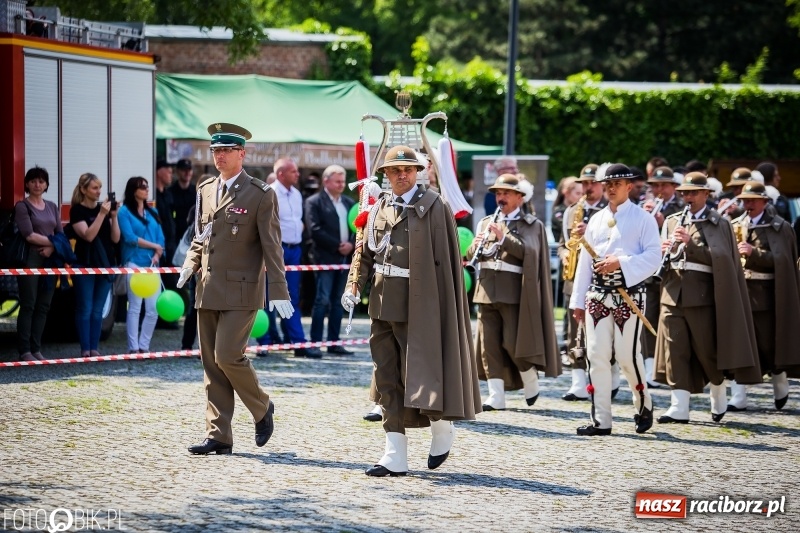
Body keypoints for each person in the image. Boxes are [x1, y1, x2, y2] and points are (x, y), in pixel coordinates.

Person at [342, 145, 481, 476]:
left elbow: (446, 264)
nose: (402, 175)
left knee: (421, 375)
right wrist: (353, 286)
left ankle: (441, 425)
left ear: (418, 172)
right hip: (382, 303)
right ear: (386, 175)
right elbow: (365, 252)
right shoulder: (378, 206)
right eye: (395, 170)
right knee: (386, 377)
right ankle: (394, 454)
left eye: (408, 169)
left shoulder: (434, 206)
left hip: (422, 305)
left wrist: (440, 308)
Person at [177, 122, 293, 455]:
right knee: (211, 364)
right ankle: (219, 435)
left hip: (242, 290)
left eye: (227, 150)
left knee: (228, 356)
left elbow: (272, 247)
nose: (220, 156)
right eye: (216, 150)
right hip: (208, 287)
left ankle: (262, 407)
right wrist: (190, 264)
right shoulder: (205, 189)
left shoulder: (260, 193)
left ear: (242, 153)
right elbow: (201, 237)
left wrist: (279, 289)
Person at [653, 172, 761, 424]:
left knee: (706, 349)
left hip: (701, 295)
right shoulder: (671, 221)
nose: (688, 197)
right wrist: (662, 250)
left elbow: (722, 259)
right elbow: (661, 256)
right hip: (673, 293)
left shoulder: (718, 223)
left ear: (705, 194)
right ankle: (679, 406)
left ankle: (718, 387)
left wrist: (690, 245)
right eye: (685, 193)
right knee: (674, 350)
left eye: (693, 193)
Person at [569, 163, 661, 436]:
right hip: (597, 296)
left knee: (626, 356)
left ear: (629, 186)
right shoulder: (596, 219)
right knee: (595, 355)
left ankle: (643, 405)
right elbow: (585, 261)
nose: (611, 188)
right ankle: (601, 420)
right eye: (607, 184)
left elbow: (654, 258)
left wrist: (620, 262)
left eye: (617, 184)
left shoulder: (643, 219)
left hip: (628, 295)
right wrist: (578, 301)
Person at [468, 174, 560, 410]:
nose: (501, 198)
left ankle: (530, 378)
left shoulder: (530, 224)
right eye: (498, 193)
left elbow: (529, 252)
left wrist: (503, 237)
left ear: (520, 197)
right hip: (486, 290)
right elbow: (471, 255)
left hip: (513, 292)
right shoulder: (486, 222)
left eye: (506, 193)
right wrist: (474, 246)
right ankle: (496, 396)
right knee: (488, 345)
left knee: (512, 343)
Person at [727, 181, 800, 411]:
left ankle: (779, 380)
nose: (748, 204)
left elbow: (784, 260)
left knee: (768, 345)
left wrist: (754, 253)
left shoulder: (780, 227)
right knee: (739, 344)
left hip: (766, 296)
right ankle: (738, 395)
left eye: (753, 200)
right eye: (745, 200)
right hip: (740, 294)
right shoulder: (734, 224)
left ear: (764, 202)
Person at [558, 164, 612, 402]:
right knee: (574, 332)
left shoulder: (610, 211)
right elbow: (562, 243)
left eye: (592, 183)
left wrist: (590, 231)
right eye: (585, 183)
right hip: (574, 279)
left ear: (601, 185)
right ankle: (578, 381)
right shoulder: (572, 211)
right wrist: (564, 254)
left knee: (604, 332)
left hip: (602, 278)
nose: (588, 187)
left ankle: (608, 378)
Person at [640, 166, 685, 388]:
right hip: (650, 274)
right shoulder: (643, 208)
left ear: (674, 187)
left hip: (673, 274)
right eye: (655, 185)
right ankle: (650, 368)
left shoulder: (682, 207)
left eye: (664, 185)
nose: (659, 189)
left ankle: (670, 366)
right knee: (648, 318)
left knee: (670, 322)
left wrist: (662, 223)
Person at [305, 164, 356, 354]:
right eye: (337, 181)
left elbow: (358, 226)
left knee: (339, 301)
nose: (342, 184)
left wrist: (351, 244)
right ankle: (315, 343)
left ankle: (334, 342)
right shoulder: (314, 202)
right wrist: (338, 245)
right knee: (322, 300)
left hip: (345, 260)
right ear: (326, 181)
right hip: (325, 258)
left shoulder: (349, 203)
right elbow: (314, 230)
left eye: (343, 181)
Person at [69, 173, 121, 357]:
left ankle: (94, 348)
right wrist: (102, 215)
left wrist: (113, 216)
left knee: (98, 309)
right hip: (84, 263)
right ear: (83, 190)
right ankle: (85, 349)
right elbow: (88, 235)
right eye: (94, 188)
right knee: (85, 308)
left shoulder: (103, 211)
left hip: (105, 263)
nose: (99, 192)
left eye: (100, 188)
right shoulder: (77, 211)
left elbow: (115, 238)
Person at [15, 166, 62, 361]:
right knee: (29, 303)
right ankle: (24, 350)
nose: (37, 184)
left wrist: (52, 247)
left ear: (46, 185)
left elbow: (60, 234)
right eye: (33, 181)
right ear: (27, 184)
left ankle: (36, 348)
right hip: (30, 258)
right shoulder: (22, 206)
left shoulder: (52, 206)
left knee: (44, 305)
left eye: (41, 181)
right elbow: (29, 235)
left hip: (50, 258)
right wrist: (53, 242)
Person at [117, 176, 165, 353]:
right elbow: (130, 238)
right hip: (134, 262)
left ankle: (144, 346)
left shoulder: (153, 211)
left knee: (153, 309)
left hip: (152, 264)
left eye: (147, 186)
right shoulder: (124, 212)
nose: (146, 189)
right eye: (142, 187)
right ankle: (133, 347)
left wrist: (158, 253)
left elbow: (160, 237)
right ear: (133, 190)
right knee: (135, 307)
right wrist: (155, 246)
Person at [170, 159, 196, 242]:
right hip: (176, 235)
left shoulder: (196, 191)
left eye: (189, 170)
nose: (187, 173)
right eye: (184, 170)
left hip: (193, 235)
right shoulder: (170, 192)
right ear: (177, 171)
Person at [551, 176, 581, 241]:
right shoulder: (559, 212)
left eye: (582, 194)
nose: (581, 197)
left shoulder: (579, 210)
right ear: (566, 193)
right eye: (578, 193)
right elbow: (567, 228)